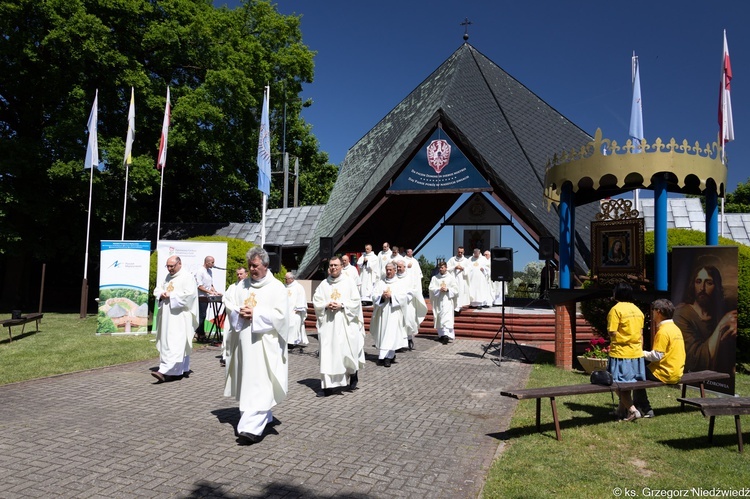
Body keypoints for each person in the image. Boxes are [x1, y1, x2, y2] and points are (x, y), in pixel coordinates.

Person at [223, 247, 289, 444]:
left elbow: (282, 316)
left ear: (266, 265)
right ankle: (263, 417)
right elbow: (230, 302)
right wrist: (238, 311)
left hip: (265, 345)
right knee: (248, 382)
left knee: (261, 383)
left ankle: (250, 428)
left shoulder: (277, 288)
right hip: (244, 343)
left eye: (255, 266)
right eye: (250, 266)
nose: (252, 269)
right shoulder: (241, 286)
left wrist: (256, 314)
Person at [312, 256, 365, 396]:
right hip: (329, 325)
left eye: (336, 265)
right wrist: (325, 305)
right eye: (331, 265)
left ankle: (352, 374)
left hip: (345, 323)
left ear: (341, 266)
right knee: (328, 354)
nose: (333, 268)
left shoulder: (349, 282)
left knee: (345, 354)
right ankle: (327, 387)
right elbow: (316, 301)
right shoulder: (324, 284)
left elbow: (356, 302)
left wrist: (342, 305)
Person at [673, 262, 737, 373]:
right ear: (693, 285)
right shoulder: (682, 313)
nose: (702, 288)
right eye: (698, 282)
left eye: (709, 283)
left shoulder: (719, 313)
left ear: (716, 286)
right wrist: (722, 325)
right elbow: (696, 360)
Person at [633, 299, 686, 418]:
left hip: (664, 373)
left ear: (658, 312)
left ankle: (645, 408)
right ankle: (638, 406)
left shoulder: (663, 331)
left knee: (636, 374)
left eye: (653, 311)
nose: (652, 314)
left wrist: (640, 353)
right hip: (677, 372)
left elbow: (657, 356)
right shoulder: (676, 329)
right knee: (640, 371)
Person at [151, 256, 199, 382]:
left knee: (176, 342)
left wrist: (171, 296)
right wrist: (161, 293)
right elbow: (158, 289)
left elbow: (190, 296)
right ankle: (179, 370)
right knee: (167, 341)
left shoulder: (187, 277)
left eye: (172, 266)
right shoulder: (168, 277)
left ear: (179, 264)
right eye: (167, 266)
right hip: (167, 316)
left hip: (180, 317)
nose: (169, 269)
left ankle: (164, 370)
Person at [606, 282, 646, 422]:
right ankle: (620, 411)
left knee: (616, 384)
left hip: (621, 353)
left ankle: (633, 410)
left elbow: (612, 332)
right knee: (627, 384)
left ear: (617, 294)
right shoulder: (638, 310)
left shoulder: (616, 310)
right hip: (636, 354)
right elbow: (641, 334)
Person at [370, 262, 411, 367]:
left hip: (394, 313)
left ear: (395, 270)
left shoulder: (399, 283)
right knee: (383, 334)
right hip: (382, 313)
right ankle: (387, 356)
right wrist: (382, 297)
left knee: (391, 335)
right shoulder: (381, 283)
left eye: (390, 270)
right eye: (387, 269)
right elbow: (374, 296)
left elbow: (404, 297)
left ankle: (386, 357)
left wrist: (392, 296)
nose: (388, 272)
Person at [394, 258, 427, 351]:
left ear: (405, 267)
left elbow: (414, 289)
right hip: (397, 304)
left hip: (408, 304)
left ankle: (409, 339)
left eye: (400, 267)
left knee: (408, 322)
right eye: (397, 267)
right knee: (399, 323)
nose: (398, 269)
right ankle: (399, 343)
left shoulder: (410, 277)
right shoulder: (394, 278)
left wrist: (406, 297)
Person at [221, 266, 247, 367]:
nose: (239, 276)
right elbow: (225, 299)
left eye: (241, 274)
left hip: (244, 317)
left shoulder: (249, 287)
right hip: (232, 316)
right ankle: (226, 356)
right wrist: (234, 309)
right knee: (228, 336)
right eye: (238, 274)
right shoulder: (232, 287)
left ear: (246, 274)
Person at [429, 261, 459, 344]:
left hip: (447, 300)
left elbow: (456, 289)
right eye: (439, 268)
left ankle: (446, 335)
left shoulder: (451, 278)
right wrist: (438, 289)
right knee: (439, 317)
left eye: (442, 268)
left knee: (446, 317)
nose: (440, 269)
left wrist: (448, 289)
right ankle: (441, 335)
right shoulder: (435, 278)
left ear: (446, 268)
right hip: (438, 300)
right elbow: (431, 288)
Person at [195, 255, 220, 342]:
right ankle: (200, 335)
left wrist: (215, 292)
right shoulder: (200, 271)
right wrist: (210, 292)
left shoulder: (209, 271)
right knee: (201, 316)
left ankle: (201, 334)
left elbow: (211, 285)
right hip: (200, 297)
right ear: (207, 262)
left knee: (204, 315)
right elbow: (199, 286)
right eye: (212, 262)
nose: (213, 264)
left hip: (207, 297)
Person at [284, 272, 309, 348]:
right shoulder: (285, 287)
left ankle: (291, 343)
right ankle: (286, 342)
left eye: (286, 279)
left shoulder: (298, 287)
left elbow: (302, 298)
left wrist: (298, 308)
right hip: (286, 311)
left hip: (294, 312)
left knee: (292, 326)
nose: (285, 280)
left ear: (291, 279)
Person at [446, 247, 470, 312]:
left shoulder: (466, 260)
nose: (460, 253)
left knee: (460, 292)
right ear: (457, 251)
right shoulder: (452, 259)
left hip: (462, 280)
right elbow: (447, 268)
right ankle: (454, 306)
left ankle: (458, 307)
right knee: (454, 291)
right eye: (459, 252)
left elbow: (469, 269)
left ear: (463, 252)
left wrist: (463, 268)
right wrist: (454, 267)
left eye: (461, 252)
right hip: (454, 278)